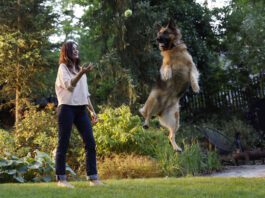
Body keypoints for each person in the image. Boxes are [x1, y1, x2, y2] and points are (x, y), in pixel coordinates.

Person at [55, 40, 102, 188]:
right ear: (67, 52)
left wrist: (92, 111)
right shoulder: (63, 68)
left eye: (77, 48)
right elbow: (69, 87)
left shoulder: (81, 70)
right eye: (73, 49)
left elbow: (85, 94)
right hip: (67, 108)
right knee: (63, 143)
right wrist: (81, 73)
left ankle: (93, 178)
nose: (76, 51)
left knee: (90, 142)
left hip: (81, 109)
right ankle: (61, 180)